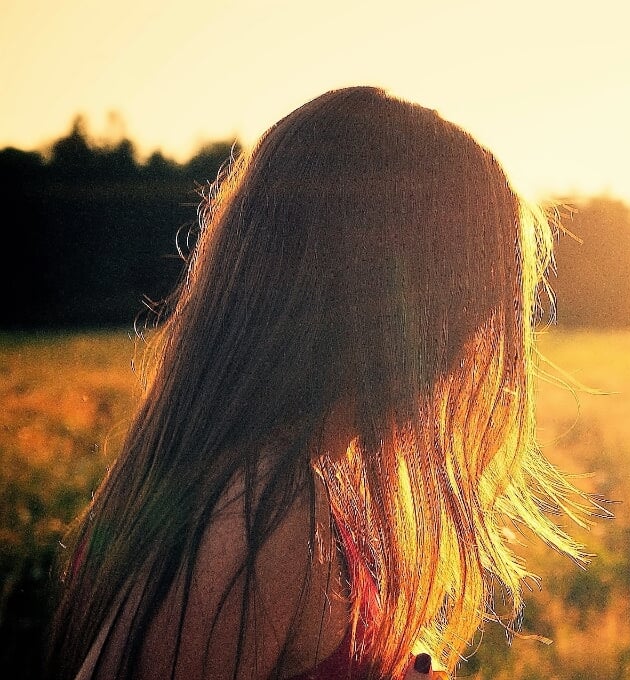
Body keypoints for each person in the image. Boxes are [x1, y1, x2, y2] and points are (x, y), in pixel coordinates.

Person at [47, 86, 597, 680]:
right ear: (394, 304)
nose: (473, 346)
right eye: (471, 302)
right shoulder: (264, 515)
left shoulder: (253, 484)